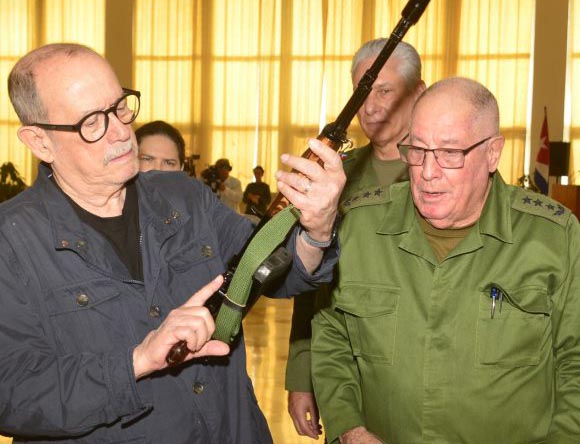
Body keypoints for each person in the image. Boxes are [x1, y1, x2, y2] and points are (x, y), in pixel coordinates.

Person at [0, 43, 346, 444]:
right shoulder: (11, 242)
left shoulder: (184, 197)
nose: (122, 132)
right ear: (39, 141)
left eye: (120, 107)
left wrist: (316, 229)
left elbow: (273, 270)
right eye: (92, 122)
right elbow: (12, 394)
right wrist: (136, 362)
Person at [311, 77, 580, 444]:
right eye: (417, 149)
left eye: (450, 153)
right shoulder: (360, 226)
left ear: (492, 153)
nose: (427, 171)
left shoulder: (553, 237)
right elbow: (331, 334)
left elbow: (575, 363)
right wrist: (349, 428)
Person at [285, 39, 425, 440]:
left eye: (385, 90)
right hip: (344, 375)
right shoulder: (334, 178)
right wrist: (301, 375)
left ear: (418, 92)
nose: (370, 106)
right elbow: (309, 282)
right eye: (362, 93)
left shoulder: (446, 175)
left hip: (421, 376)